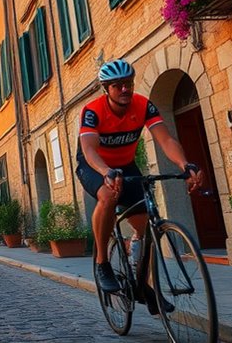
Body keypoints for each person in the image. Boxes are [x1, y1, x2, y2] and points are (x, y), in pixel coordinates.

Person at [77, 59, 203, 314]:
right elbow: (89, 149)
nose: (125, 89)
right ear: (106, 89)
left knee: (146, 229)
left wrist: (184, 164)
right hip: (95, 165)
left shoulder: (143, 105)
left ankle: (143, 286)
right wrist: (105, 172)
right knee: (108, 196)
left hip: (126, 165)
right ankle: (102, 262)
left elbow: (165, 139)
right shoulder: (92, 111)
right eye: (118, 86)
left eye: (129, 84)